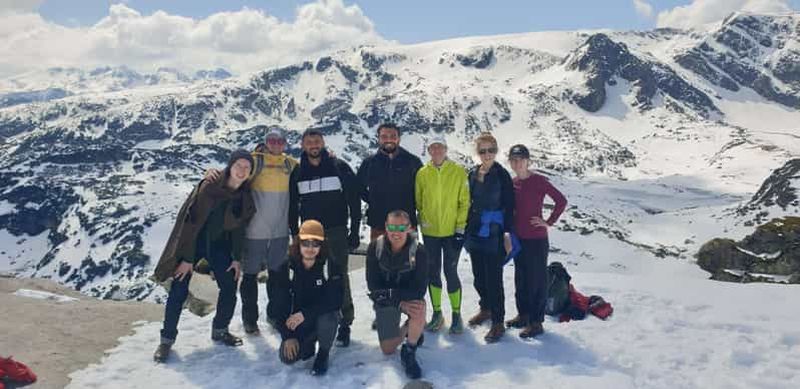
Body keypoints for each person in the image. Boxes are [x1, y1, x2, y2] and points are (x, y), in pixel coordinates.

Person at [152, 149, 256, 363]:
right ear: (230, 166)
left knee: (229, 286)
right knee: (179, 289)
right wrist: (187, 259)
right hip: (193, 244)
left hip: (218, 245)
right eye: (238, 165)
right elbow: (192, 224)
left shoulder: (244, 196)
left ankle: (220, 330)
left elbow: (239, 229)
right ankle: (166, 340)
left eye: (247, 167)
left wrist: (236, 258)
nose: (242, 170)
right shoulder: (211, 186)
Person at [206, 127, 298, 334]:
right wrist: (211, 172)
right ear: (265, 142)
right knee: (250, 277)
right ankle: (250, 320)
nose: (275, 144)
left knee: (278, 277)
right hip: (254, 231)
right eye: (271, 140)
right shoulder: (256, 161)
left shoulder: (290, 164)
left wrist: (329, 155)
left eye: (280, 141)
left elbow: (310, 168)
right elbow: (234, 172)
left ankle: (275, 315)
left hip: (280, 231)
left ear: (285, 143)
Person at [289, 127, 361, 347]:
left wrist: (354, 231)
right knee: (310, 276)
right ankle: (312, 319)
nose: (314, 145)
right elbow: (292, 206)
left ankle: (345, 323)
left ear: (323, 143)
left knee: (340, 277)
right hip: (309, 234)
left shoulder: (339, 167)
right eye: (309, 142)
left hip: (336, 231)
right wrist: (295, 234)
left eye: (317, 141)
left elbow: (354, 200)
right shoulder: (298, 172)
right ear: (303, 145)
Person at [507, 144, 567, 338]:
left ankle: (536, 322)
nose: (517, 163)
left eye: (521, 159)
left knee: (537, 281)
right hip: (518, 239)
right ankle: (523, 315)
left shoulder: (539, 181)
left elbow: (561, 201)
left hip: (536, 240)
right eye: (513, 160)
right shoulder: (513, 183)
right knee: (521, 279)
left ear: (528, 161)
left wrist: (548, 222)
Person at [414, 135, 470, 334]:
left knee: (450, 271)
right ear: (429, 150)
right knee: (432, 272)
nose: (436, 150)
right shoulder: (422, 173)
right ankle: (437, 313)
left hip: (452, 233)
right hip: (430, 232)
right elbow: (418, 201)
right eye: (433, 147)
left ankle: (456, 315)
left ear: (446, 149)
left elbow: (464, 202)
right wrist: (424, 220)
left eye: (440, 147)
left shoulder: (458, 171)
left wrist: (460, 228)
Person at [464, 132, 515, 343]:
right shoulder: (472, 173)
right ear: (477, 152)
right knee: (479, 276)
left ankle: (498, 322)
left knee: (494, 279)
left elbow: (510, 206)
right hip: (475, 230)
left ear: (496, 151)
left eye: (491, 150)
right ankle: (485, 309)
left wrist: (507, 234)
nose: (487, 154)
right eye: (483, 150)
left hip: (494, 232)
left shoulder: (502, 175)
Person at [366, 210, 428, 379]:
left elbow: (420, 289)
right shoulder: (375, 247)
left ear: (409, 228)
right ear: (386, 227)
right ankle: (409, 327)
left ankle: (409, 349)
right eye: (392, 227)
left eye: (401, 228)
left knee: (419, 308)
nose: (396, 232)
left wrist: (400, 299)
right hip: (386, 300)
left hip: (408, 298)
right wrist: (398, 302)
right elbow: (373, 286)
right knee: (387, 349)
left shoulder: (419, 251)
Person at [276, 220, 342, 376]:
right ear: (298, 243)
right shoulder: (286, 267)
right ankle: (308, 343)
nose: (310, 248)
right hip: (298, 321)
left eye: (315, 244)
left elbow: (335, 300)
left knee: (329, 317)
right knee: (287, 357)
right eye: (306, 243)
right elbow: (278, 304)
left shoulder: (330, 265)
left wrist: (306, 314)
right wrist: (287, 336)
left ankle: (323, 353)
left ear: (322, 245)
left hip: (319, 317)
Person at [357, 123, 423, 241]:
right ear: (378, 139)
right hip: (379, 222)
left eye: (393, 136)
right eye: (384, 136)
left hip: (407, 223)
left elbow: (423, 189)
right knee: (378, 252)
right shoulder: (369, 163)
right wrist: (373, 200)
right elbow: (358, 187)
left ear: (399, 138)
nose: (389, 140)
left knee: (410, 253)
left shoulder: (412, 161)